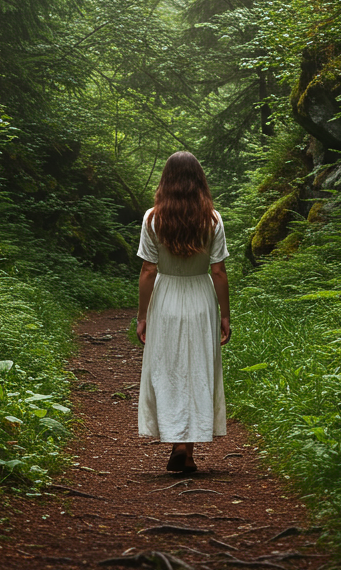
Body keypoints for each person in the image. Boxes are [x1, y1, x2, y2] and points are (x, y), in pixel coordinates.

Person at [135, 151, 231, 473]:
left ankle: (177, 442)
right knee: (197, 369)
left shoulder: (152, 218)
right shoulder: (213, 219)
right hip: (201, 298)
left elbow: (148, 270)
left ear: (166, 181)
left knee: (170, 369)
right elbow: (218, 271)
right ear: (199, 182)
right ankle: (186, 449)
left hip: (166, 299)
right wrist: (225, 315)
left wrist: (142, 315)